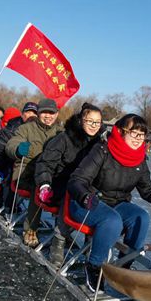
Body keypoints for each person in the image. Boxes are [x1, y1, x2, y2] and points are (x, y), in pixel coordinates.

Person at [67, 114, 151, 292]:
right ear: (121, 131)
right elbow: (77, 180)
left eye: (142, 134)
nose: (138, 139)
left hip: (116, 204)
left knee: (141, 217)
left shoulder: (139, 159)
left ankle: (124, 267)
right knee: (112, 220)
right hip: (86, 204)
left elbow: (149, 191)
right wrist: (85, 196)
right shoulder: (102, 150)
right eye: (134, 133)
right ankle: (93, 266)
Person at [34, 102, 104, 267]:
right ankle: (59, 239)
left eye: (97, 122)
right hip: (61, 183)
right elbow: (45, 163)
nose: (94, 126)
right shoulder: (64, 139)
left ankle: (90, 246)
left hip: (87, 187)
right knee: (71, 194)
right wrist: (45, 184)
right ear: (81, 120)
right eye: (89, 121)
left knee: (97, 200)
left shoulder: (101, 144)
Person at [5, 98, 63, 247]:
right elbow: (11, 144)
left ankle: (62, 233)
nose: (48, 116)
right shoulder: (26, 128)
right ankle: (30, 229)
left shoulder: (60, 133)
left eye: (52, 113)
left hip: (49, 174)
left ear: (56, 114)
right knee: (38, 186)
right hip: (25, 173)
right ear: (38, 113)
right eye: (45, 112)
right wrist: (18, 149)